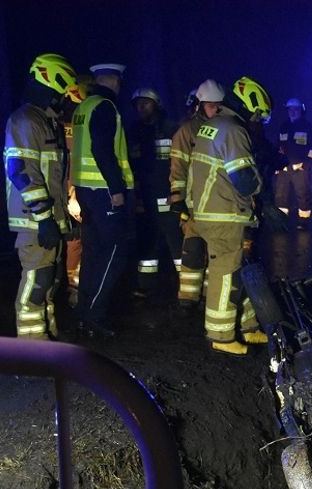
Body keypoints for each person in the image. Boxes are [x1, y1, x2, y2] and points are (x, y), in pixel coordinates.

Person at [186, 75, 272, 355]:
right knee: (226, 274)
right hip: (224, 213)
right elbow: (244, 179)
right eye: (258, 115)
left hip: (210, 210)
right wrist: (264, 195)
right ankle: (221, 336)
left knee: (238, 269)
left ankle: (247, 326)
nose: (257, 122)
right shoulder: (234, 129)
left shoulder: (212, 126)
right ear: (251, 107)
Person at [3, 53, 77, 340]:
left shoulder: (45, 121)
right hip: (34, 220)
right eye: (62, 92)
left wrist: (60, 220)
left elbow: (55, 177)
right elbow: (21, 171)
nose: (64, 99)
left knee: (49, 281)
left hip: (49, 220)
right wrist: (45, 218)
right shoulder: (25, 121)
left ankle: (46, 338)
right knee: (37, 282)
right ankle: (31, 346)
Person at [70, 62, 135, 338]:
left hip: (86, 190)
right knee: (113, 254)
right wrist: (117, 188)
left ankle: (84, 314)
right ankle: (95, 316)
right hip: (104, 191)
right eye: (119, 80)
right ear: (112, 79)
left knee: (94, 253)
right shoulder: (106, 106)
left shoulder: (83, 107)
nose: (121, 85)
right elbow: (102, 150)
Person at [170, 78, 224, 308]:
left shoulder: (225, 128)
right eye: (211, 105)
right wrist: (177, 198)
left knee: (216, 254)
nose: (215, 109)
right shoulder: (187, 131)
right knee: (192, 250)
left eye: (218, 105)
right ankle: (188, 298)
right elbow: (178, 166)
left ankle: (207, 297)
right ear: (201, 105)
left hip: (218, 204)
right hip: (193, 204)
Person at [126, 86, 179, 300]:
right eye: (137, 104)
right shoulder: (134, 132)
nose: (140, 107)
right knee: (147, 243)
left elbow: (180, 164)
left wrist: (177, 192)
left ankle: (188, 287)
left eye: (145, 103)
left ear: (156, 105)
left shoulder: (171, 129)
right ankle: (145, 285)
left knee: (176, 242)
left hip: (168, 195)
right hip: (144, 198)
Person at [60, 73, 91, 306]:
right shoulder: (69, 128)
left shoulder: (63, 126)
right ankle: (73, 289)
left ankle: (75, 289)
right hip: (71, 195)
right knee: (74, 242)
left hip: (73, 194)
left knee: (76, 242)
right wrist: (72, 195)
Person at [273, 97, 312, 229]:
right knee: (280, 196)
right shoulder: (284, 126)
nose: (292, 112)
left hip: (300, 168)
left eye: (295, 109)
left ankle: (303, 221)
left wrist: (306, 164)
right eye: (290, 109)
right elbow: (278, 146)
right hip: (283, 168)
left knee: (303, 194)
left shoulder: (308, 127)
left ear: (301, 110)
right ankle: (281, 221)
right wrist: (275, 164)